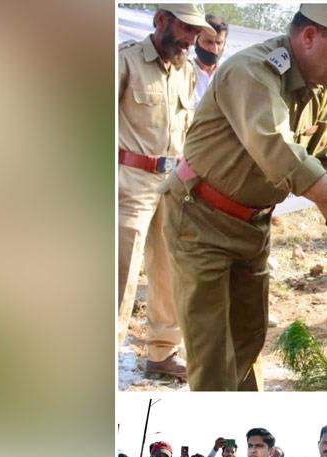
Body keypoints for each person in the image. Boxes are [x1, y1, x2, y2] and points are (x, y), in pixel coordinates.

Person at [164, 4, 327, 391]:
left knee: (248, 340)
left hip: (252, 226)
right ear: (309, 36)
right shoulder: (253, 73)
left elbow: (322, 161)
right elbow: (281, 153)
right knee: (212, 354)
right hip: (200, 219)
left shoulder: (317, 91)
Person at [118, 4, 215, 381]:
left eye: (196, 31)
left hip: (172, 183)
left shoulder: (187, 71)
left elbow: (187, 129)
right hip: (128, 181)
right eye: (186, 29)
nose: (192, 39)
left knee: (171, 272)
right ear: (161, 20)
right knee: (120, 275)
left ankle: (162, 353)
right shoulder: (125, 62)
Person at [193, 14, 228, 104]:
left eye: (219, 43)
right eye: (209, 42)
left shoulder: (227, 77)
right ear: (196, 39)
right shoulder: (181, 73)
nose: (214, 49)